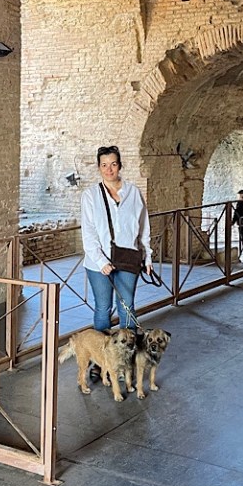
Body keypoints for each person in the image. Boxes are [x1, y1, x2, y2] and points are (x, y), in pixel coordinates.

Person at [80, 145, 153, 380]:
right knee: (103, 308)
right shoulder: (90, 196)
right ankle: (101, 361)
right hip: (98, 263)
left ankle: (125, 361)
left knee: (127, 307)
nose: (109, 169)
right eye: (104, 165)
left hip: (128, 258)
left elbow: (143, 227)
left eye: (113, 164)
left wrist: (148, 255)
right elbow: (88, 232)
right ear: (99, 167)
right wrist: (101, 260)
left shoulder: (133, 193)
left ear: (119, 165)